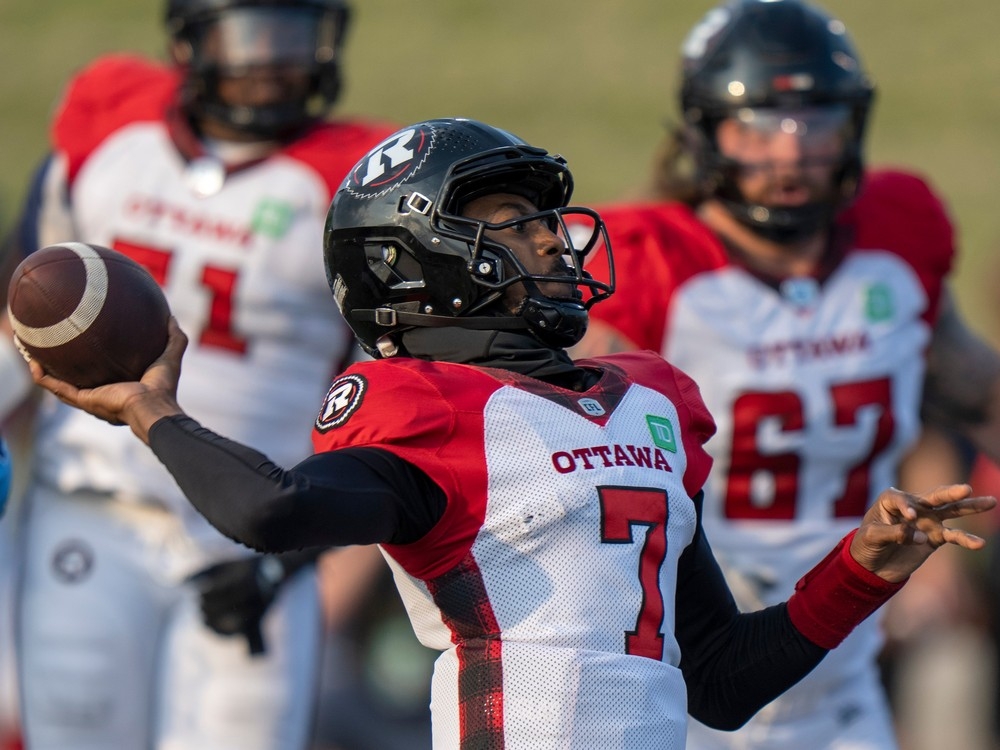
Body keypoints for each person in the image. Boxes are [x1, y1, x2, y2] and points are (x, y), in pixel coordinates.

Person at [25, 116, 997, 750]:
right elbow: (272, 512)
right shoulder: (427, 410)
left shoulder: (652, 401)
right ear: (416, 265)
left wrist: (863, 568)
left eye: (543, 220)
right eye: (511, 223)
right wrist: (150, 408)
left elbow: (725, 685)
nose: (551, 240)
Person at [568, 1, 1000, 749]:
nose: (791, 154)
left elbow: (970, 388)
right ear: (706, 131)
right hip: (679, 680)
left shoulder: (896, 237)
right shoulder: (641, 262)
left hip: (842, 687)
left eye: (816, 123)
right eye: (760, 125)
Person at [0, 1, 397, 747]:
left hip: (252, 540)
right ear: (190, 41)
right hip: (93, 510)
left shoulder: (358, 183)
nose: (278, 59)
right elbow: (19, 316)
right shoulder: (112, 126)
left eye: (299, 34)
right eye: (254, 34)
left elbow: (389, 405)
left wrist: (299, 556)